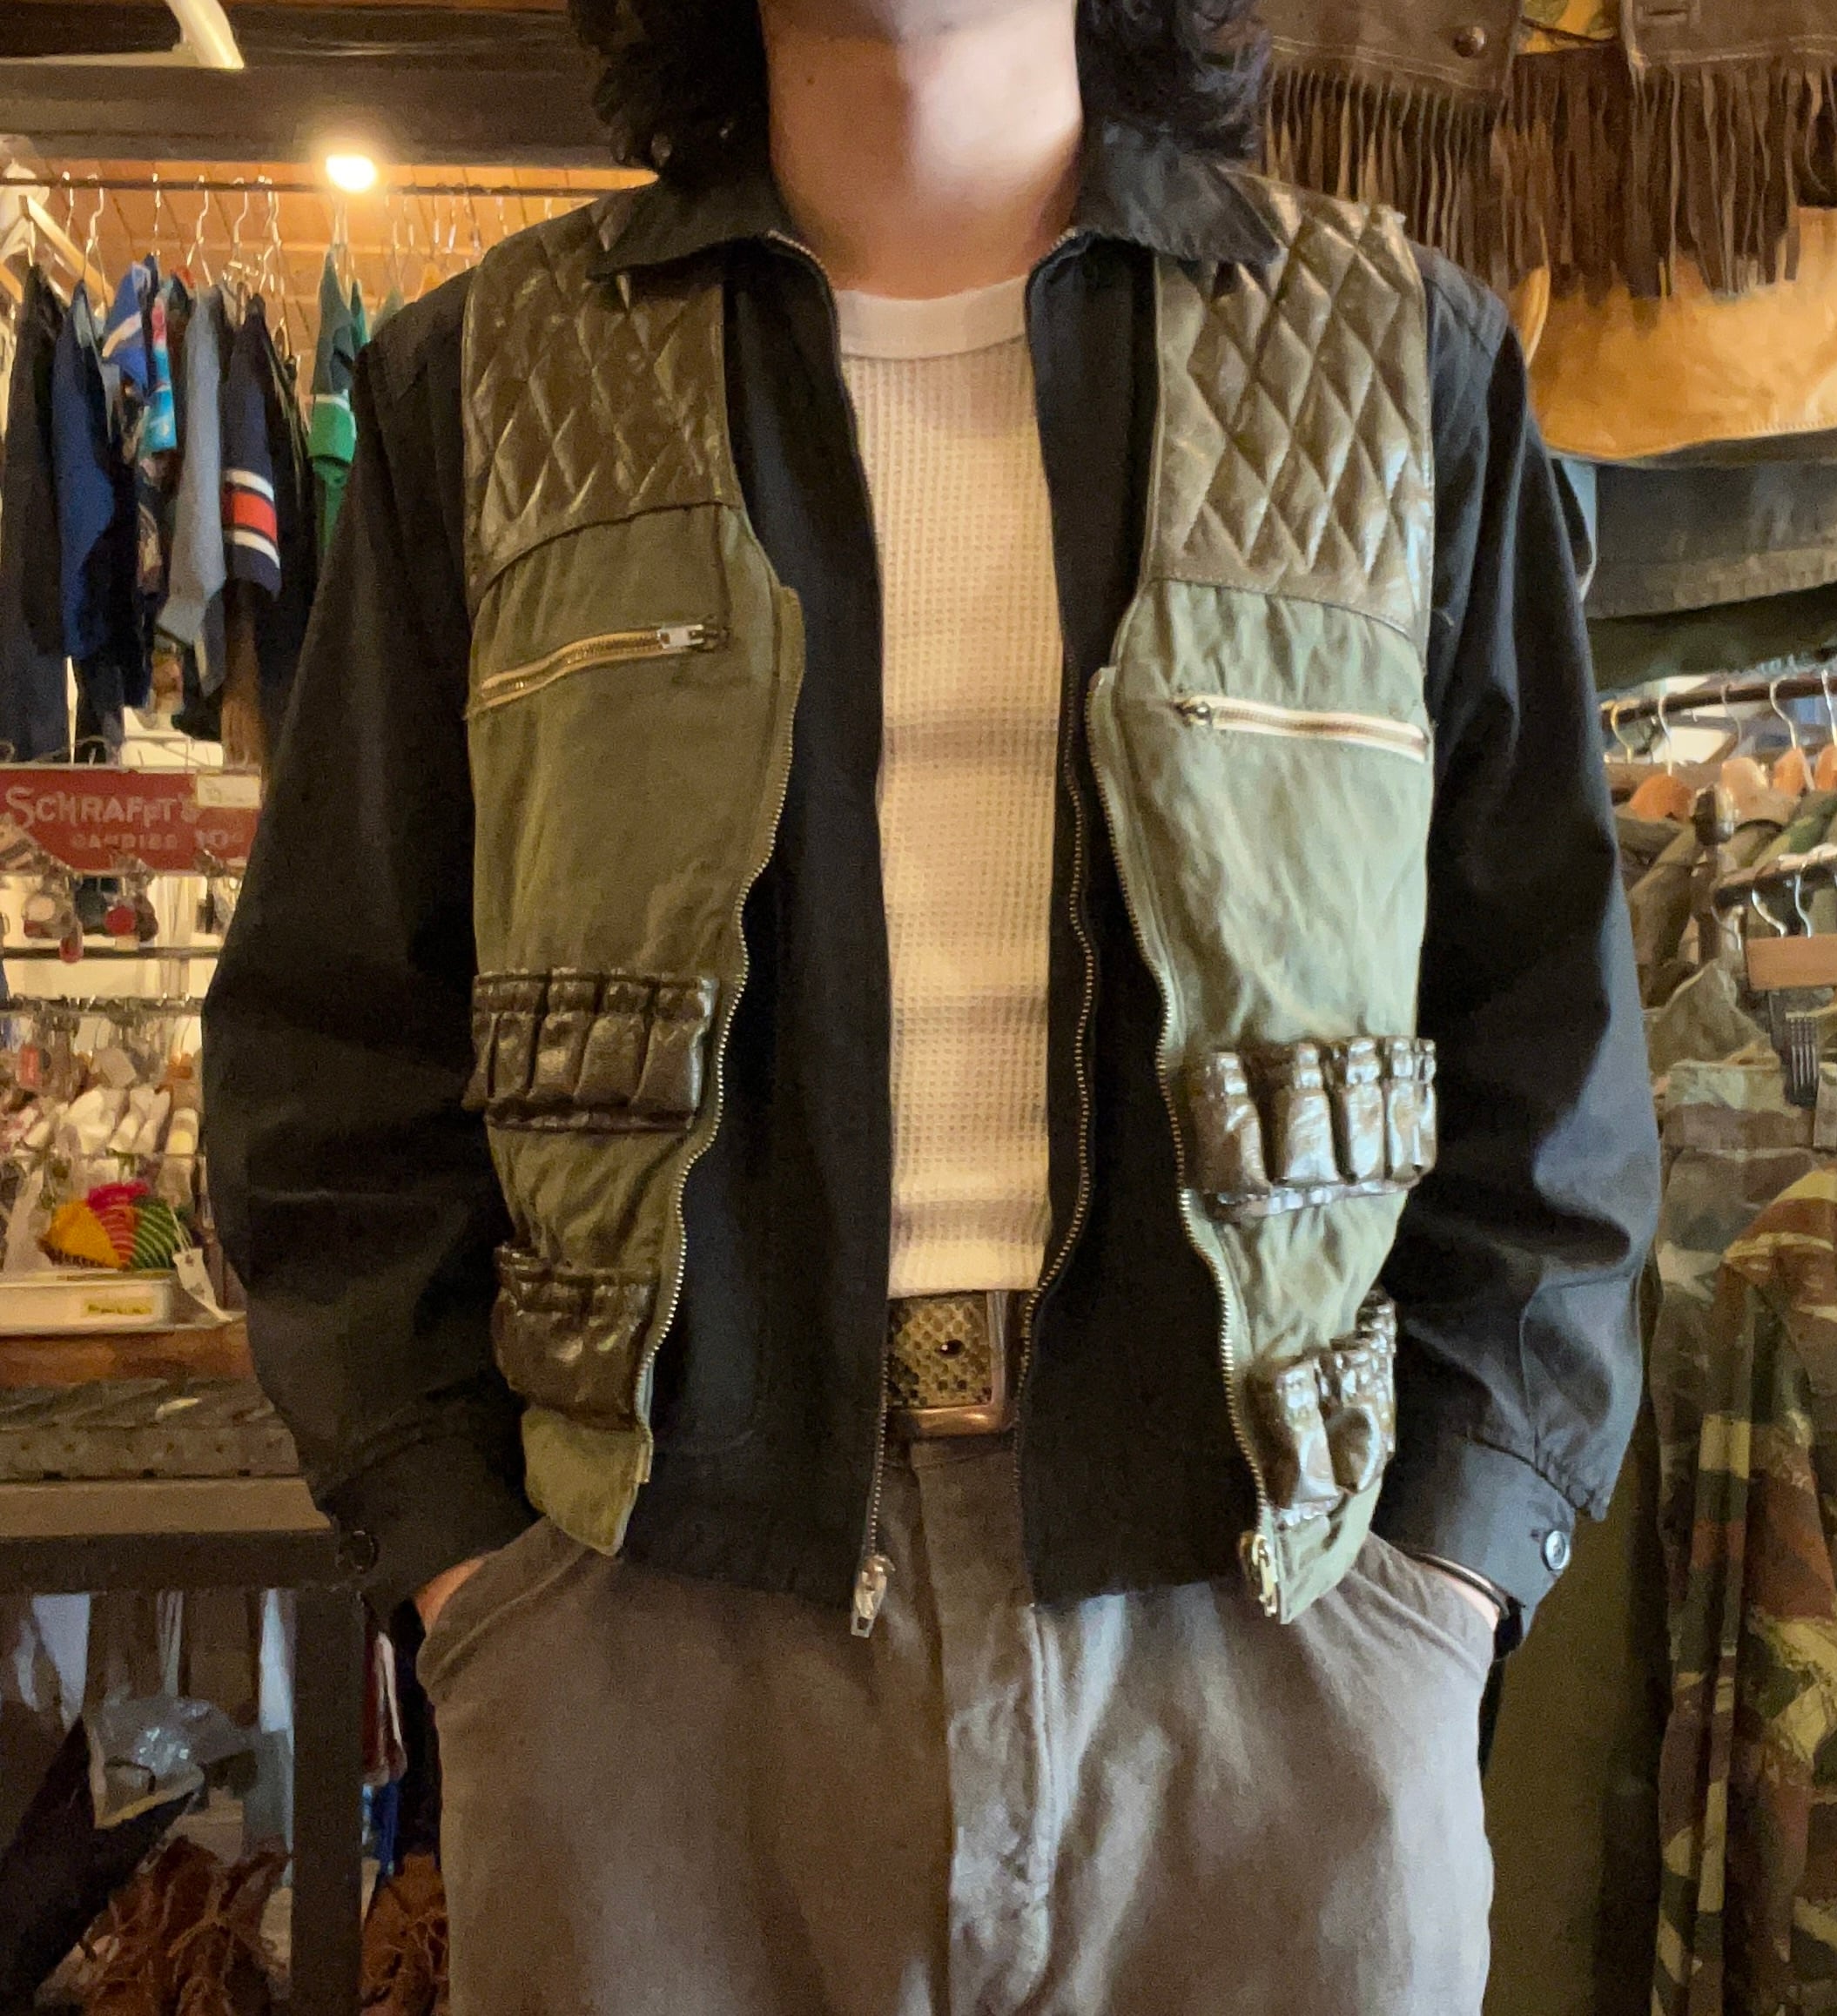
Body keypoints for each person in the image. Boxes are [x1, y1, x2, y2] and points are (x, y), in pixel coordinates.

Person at [205, 1, 1662, 2008]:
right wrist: (481, 1580)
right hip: (650, 1643)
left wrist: (1445, 1580)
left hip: (1276, 1641)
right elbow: (334, 1048)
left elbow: (1548, 1040)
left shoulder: (1399, 359)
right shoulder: (491, 380)